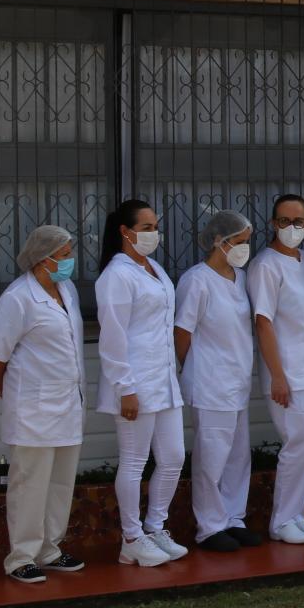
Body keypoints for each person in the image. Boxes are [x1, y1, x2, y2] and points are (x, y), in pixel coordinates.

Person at [0, 224, 88, 585]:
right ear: (44, 259)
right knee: (30, 484)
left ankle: (50, 549)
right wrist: (7, 388)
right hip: (33, 409)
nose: (71, 260)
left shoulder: (66, 290)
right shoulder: (17, 299)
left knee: (60, 482)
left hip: (68, 405)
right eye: (65, 254)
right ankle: (21, 557)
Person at [96, 198, 187, 567]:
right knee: (134, 462)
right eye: (146, 228)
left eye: (155, 227)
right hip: (134, 383)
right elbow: (113, 336)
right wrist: (125, 388)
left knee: (174, 457)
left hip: (163, 380)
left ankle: (155, 527)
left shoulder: (153, 268)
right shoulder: (116, 275)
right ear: (125, 231)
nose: (154, 234)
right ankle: (131, 538)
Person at [249, 193, 304, 544]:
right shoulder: (265, 265)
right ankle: (281, 521)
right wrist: (277, 376)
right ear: (273, 223)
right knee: (297, 442)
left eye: (298, 221)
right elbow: (263, 322)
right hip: (286, 370)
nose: (291, 227)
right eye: (284, 221)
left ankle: (296, 514)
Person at [175, 209, 261, 553]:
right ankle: (210, 527)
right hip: (210, 382)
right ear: (218, 241)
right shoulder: (196, 281)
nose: (244, 248)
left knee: (238, 457)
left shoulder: (240, 277)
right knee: (211, 458)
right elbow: (182, 333)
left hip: (237, 381)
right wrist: (195, 367)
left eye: (247, 241)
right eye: (238, 241)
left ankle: (233, 518)